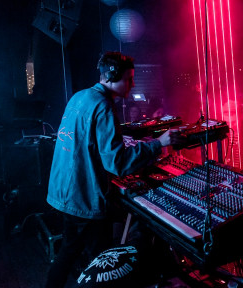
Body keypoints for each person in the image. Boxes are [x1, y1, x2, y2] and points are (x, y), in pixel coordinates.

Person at [45, 52, 180, 288]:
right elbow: (117, 164)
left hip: (63, 192)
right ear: (112, 76)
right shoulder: (103, 105)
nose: (133, 84)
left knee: (68, 252)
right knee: (105, 265)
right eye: (128, 79)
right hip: (82, 197)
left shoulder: (80, 97)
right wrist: (160, 144)